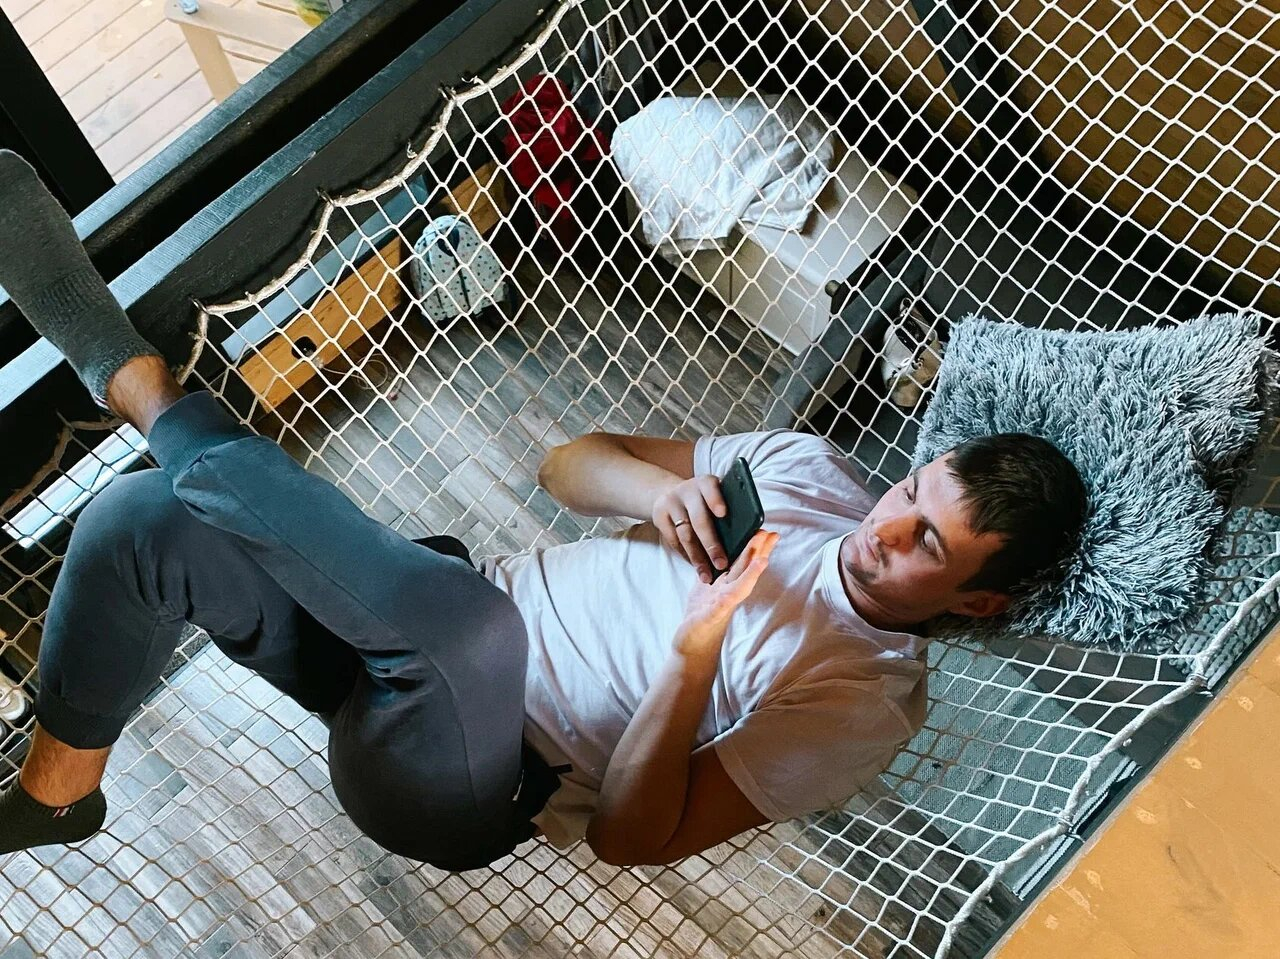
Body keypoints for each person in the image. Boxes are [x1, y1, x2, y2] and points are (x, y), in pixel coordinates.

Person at [0, 149, 1089, 869]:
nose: (882, 525)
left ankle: (141, 386)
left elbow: (630, 838)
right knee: (140, 521)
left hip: (459, 770)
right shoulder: (810, 471)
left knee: (473, 631)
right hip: (411, 623)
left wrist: (694, 658)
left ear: (977, 601)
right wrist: (657, 488)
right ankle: (58, 793)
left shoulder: (861, 700)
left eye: (926, 543)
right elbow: (563, 466)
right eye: (908, 490)